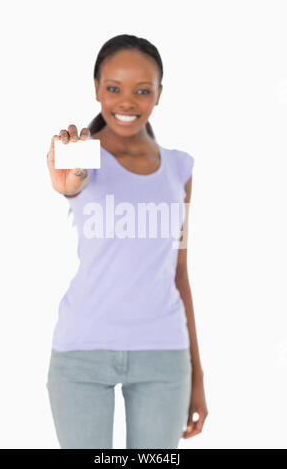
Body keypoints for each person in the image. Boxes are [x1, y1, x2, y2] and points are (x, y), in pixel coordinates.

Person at [45, 34, 208, 449]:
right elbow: (68, 182)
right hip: (82, 354)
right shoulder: (80, 154)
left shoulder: (178, 168)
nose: (127, 102)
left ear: (158, 94)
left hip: (164, 357)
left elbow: (180, 271)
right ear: (97, 88)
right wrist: (67, 182)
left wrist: (197, 377)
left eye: (142, 90)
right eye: (114, 88)